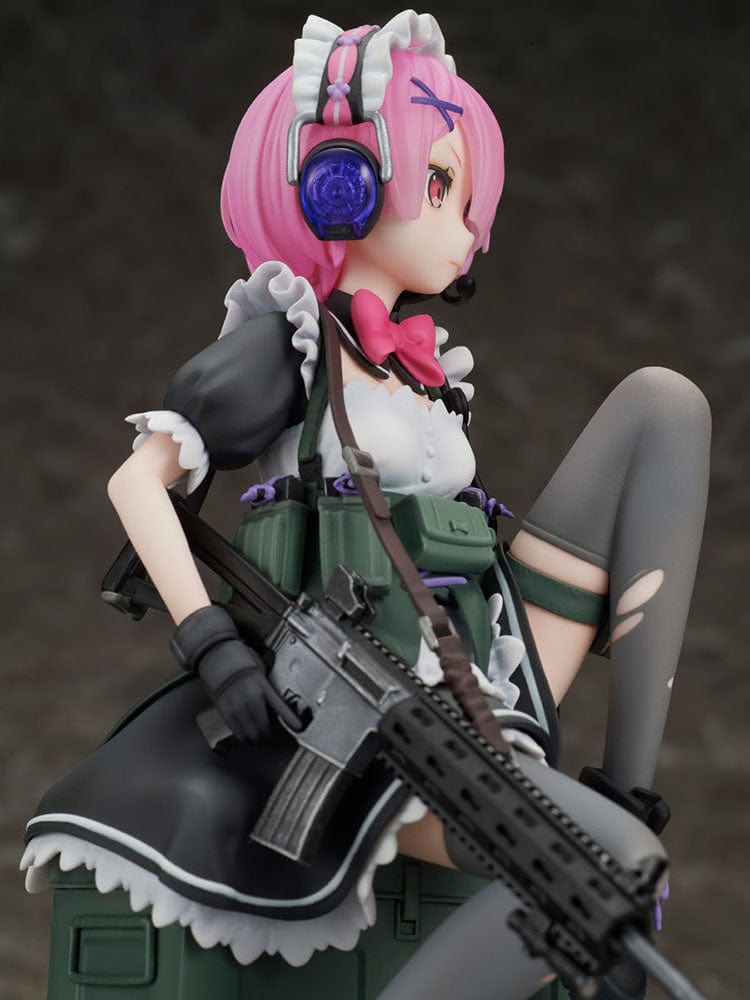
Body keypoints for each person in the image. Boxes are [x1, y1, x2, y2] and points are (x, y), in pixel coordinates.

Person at [22, 12, 710, 1000]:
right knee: (605, 864)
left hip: (478, 672)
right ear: (336, 184)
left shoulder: (424, 378)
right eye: (437, 185)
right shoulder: (287, 346)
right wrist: (214, 648)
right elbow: (137, 483)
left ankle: (625, 789)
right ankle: (607, 841)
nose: (464, 224)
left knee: (663, 409)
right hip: (349, 715)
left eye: (468, 197)